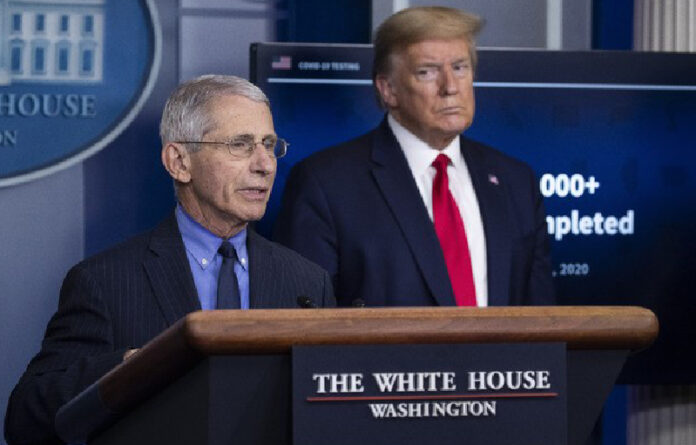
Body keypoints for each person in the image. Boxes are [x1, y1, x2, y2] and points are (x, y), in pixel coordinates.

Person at [5, 75, 334, 445]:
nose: (265, 165)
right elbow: (26, 418)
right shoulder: (104, 281)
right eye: (240, 145)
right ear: (179, 162)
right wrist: (131, 367)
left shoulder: (307, 282)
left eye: (269, 144)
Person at [274, 7, 554, 307]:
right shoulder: (325, 184)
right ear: (388, 90)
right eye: (427, 72)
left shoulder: (516, 181)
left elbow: (541, 321)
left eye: (460, 67)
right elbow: (303, 323)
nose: (450, 87)